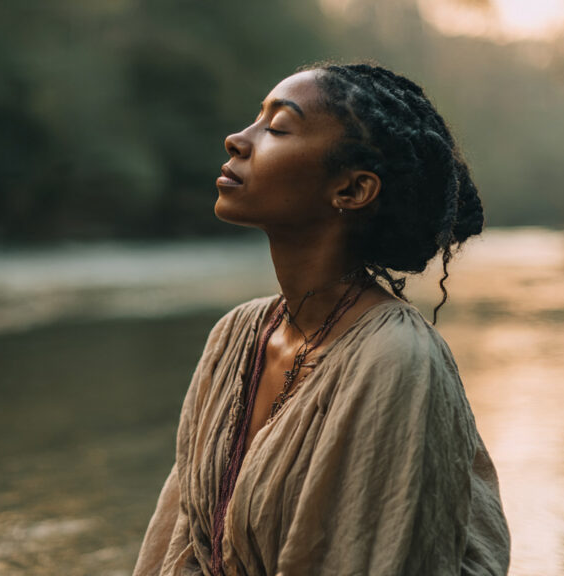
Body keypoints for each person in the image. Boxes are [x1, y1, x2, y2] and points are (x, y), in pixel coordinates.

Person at [133, 63, 510, 576]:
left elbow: (383, 559)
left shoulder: (397, 361)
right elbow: (180, 544)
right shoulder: (236, 337)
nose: (237, 140)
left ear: (353, 191)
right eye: (254, 119)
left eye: (277, 128)